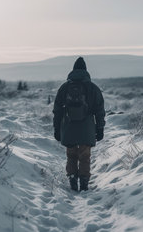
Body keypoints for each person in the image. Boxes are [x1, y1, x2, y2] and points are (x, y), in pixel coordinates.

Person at [53, 57, 105, 191]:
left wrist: (57, 129)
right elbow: (100, 110)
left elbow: (57, 110)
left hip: (68, 127)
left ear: (73, 69)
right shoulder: (93, 88)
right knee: (84, 156)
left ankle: (72, 178)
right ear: (85, 70)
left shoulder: (64, 87)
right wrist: (100, 128)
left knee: (71, 156)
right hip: (87, 128)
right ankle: (84, 182)